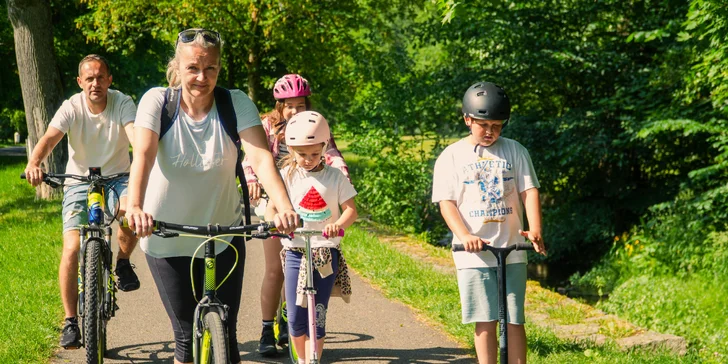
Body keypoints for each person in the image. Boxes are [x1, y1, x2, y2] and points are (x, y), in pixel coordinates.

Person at [124, 28, 298, 364]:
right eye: (192, 68)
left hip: (223, 234)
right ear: (177, 66)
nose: (202, 77)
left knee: (227, 339)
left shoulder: (235, 104)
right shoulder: (158, 102)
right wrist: (134, 206)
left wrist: (286, 208)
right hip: (167, 236)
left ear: (219, 68)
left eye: (211, 69)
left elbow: (260, 158)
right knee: (186, 342)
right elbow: (142, 156)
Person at [23, 54, 141, 349]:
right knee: (72, 247)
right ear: (80, 82)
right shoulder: (71, 107)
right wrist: (35, 162)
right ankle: (71, 321)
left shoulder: (122, 102)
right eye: (89, 78)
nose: (95, 83)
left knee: (130, 210)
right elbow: (50, 138)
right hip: (79, 180)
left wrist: (146, 158)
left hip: (117, 177)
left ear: (109, 80)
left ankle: (123, 263)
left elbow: (135, 137)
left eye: (101, 77)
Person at [431, 82, 547, 364]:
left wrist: (535, 229)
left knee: (514, 319)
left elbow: (528, 191)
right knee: (485, 320)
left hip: (513, 250)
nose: (490, 131)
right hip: (474, 255)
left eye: (497, 125)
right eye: (484, 125)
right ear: (467, 120)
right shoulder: (451, 156)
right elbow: (446, 203)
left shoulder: (515, 151)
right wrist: (463, 235)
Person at [242, 73, 351, 355]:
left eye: (299, 104)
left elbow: (332, 153)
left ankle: (293, 322)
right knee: (274, 269)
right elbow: (253, 157)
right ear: (279, 105)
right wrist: (253, 180)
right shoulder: (266, 125)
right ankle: (268, 327)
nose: (294, 111)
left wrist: (341, 173)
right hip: (275, 198)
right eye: (288, 105)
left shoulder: (315, 125)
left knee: (306, 270)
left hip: (307, 201)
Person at [270, 110, 357, 363]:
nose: (308, 160)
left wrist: (337, 225)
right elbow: (272, 207)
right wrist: (276, 219)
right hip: (296, 250)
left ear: (324, 148)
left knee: (317, 314)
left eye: (315, 154)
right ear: (291, 150)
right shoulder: (286, 176)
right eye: (302, 154)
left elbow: (351, 210)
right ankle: (302, 358)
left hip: (324, 252)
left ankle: (313, 359)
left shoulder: (335, 177)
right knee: (297, 317)